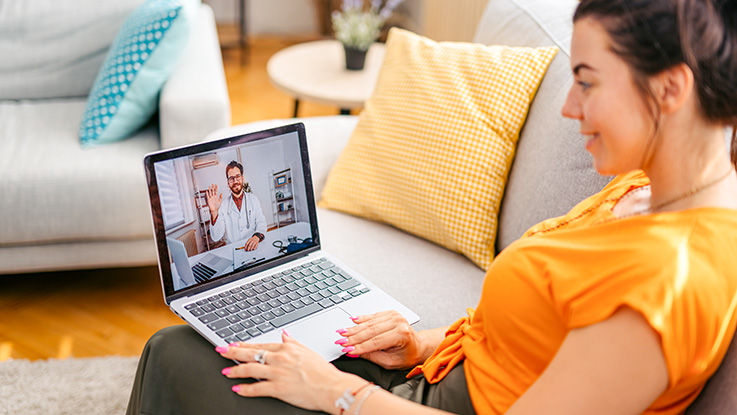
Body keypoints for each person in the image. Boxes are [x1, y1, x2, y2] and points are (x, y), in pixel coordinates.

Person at [126, 1, 737, 414]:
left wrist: (335, 391)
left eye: (586, 81)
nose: (568, 108)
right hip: (430, 371)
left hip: (426, 405)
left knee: (173, 356)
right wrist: (418, 344)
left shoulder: (670, 283)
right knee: (203, 346)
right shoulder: (646, 187)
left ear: (671, 88)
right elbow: (540, 330)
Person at [207, 160, 267, 250]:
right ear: (228, 183)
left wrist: (256, 237)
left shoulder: (253, 199)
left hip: (253, 245)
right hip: (233, 249)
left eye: (238, 177)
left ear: (242, 178)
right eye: (231, 178)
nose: (235, 181)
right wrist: (214, 212)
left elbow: (261, 223)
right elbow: (216, 236)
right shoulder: (223, 205)